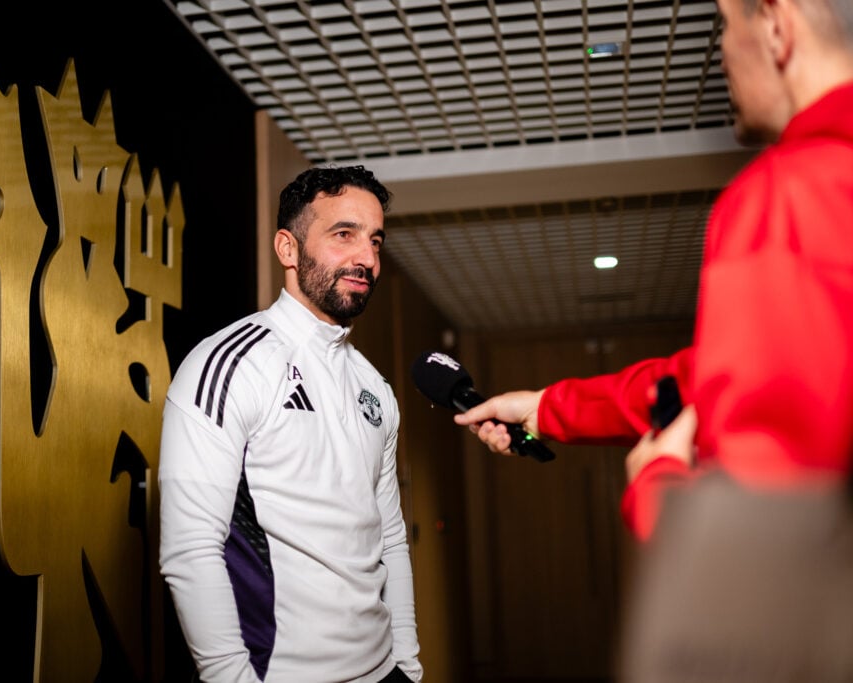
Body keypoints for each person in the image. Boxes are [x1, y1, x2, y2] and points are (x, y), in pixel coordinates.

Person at [454, 0, 853, 542]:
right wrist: (547, 409)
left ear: (777, 28)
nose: (720, 55)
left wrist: (656, 487)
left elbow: (757, 546)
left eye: (725, 27)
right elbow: (708, 382)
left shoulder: (788, 195)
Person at [158, 165, 423, 682]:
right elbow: (190, 550)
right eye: (343, 235)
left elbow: (390, 539)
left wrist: (407, 665)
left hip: (383, 672)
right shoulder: (229, 365)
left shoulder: (376, 389)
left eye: (374, 240)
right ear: (288, 248)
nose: (366, 258)